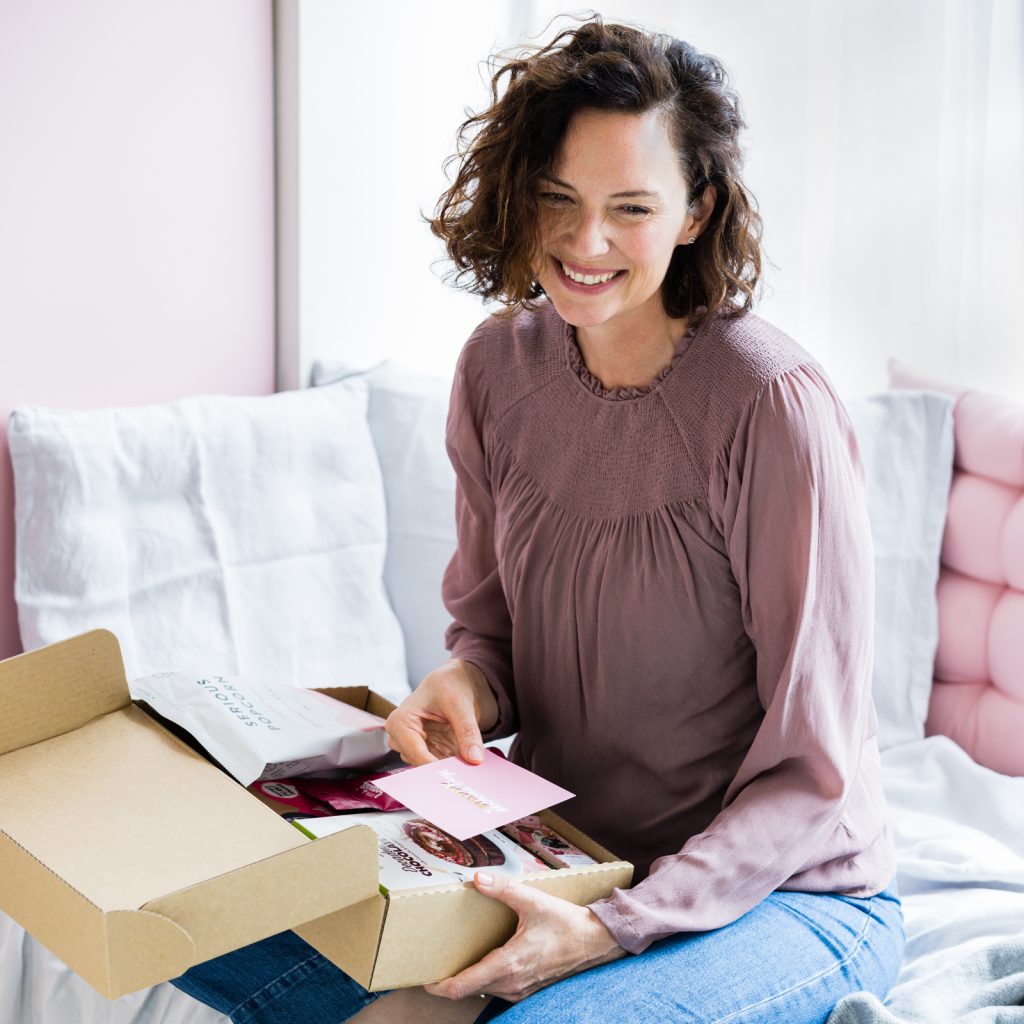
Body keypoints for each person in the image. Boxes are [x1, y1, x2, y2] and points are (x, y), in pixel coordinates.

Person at [171, 16, 904, 1024]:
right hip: (571, 861)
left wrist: (607, 933)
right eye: (556, 199)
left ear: (695, 212)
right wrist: (464, 685)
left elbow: (812, 773)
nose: (583, 243)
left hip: (781, 893)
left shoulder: (771, 405)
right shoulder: (496, 369)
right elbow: (491, 635)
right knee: (193, 909)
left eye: (630, 208)